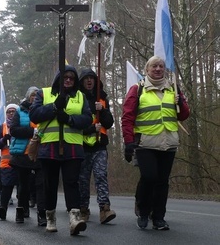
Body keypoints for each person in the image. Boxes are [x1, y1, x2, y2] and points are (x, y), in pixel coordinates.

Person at [121, 55, 190, 230]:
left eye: (161, 66)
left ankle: (158, 217)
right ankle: (143, 211)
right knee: (149, 177)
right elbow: (127, 118)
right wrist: (128, 142)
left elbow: (183, 115)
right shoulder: (137, 90)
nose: (158, 69)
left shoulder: (173, 89)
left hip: (169, 143)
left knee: (162, 181)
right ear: (147, 70)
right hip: (146, 143)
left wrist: (180, 101)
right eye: (154, 66)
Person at [29, 65, 92, 235]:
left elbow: (87, 119)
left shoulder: (80, 96)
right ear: (59, 78)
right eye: (65, 77)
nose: (69, 80)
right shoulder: (44, 93)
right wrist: (54, 108)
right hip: (49, 146)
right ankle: (50, 216)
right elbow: (34, 115)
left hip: (73, 146)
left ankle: (74, 218)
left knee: (72, 182)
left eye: (72, 78)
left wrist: (70, 119)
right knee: (50, 184)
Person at [78, 68, 116, 224]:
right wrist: (90, 129)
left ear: (95, 81)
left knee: (101, 177)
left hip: (99, 145)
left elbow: (109, 123)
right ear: (81, 81)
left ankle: (104, 209)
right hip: (82, 145)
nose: (89, 81)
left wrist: (104, 110)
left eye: (91, 78)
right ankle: (83, 210)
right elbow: (75, 124)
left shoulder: (102, 98)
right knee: (83, 180)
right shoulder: (77, 98)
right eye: (86, 78)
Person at [9, 86, 47, 226]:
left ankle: (42, 214)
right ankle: (21, 210)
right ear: (28, 96)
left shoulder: (44, 111)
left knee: (40, 184)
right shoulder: (19, 111)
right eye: (32, 95)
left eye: (37, 95)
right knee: (23, 184)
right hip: (23, 154)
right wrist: (33, 131)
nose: (34, 97)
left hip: (41, 153)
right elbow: (13, 130)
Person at [0, 103, 19, 221]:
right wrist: (4, 139)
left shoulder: (23, 124)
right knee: (7, 186)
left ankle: (23, 210)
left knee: (23, 187)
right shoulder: (2, 127)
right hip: (6, 163)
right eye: (9, 111)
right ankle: (3, 207)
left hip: (21, 161)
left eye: (13, 111)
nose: (11, 113)